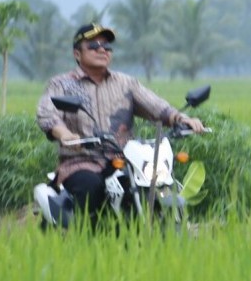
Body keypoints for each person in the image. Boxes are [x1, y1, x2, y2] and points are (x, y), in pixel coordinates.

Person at [36, 23, 204, 228]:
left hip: (125, 160)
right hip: (82, 160)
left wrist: (181, 119)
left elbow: (156, 106)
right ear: (77, 54)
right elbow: (47, 112)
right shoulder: (61, 84)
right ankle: (79, 238)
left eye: (107, 47)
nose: (102, 50)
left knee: (154, 186)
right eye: (94, 45)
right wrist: (63, 133)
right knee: (91, 187)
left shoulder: (126, 83)